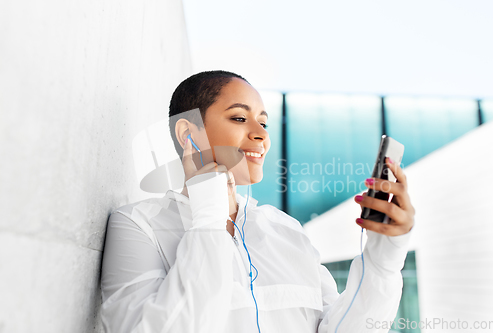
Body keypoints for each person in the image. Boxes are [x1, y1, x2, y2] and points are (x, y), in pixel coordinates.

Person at [100, 70, 415, 333]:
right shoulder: (140, 226)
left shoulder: (288, 231)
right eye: (239, 118)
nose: (261, 136)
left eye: (263, 123)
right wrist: (210, 219)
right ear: (188, 134)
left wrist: (384, 260)